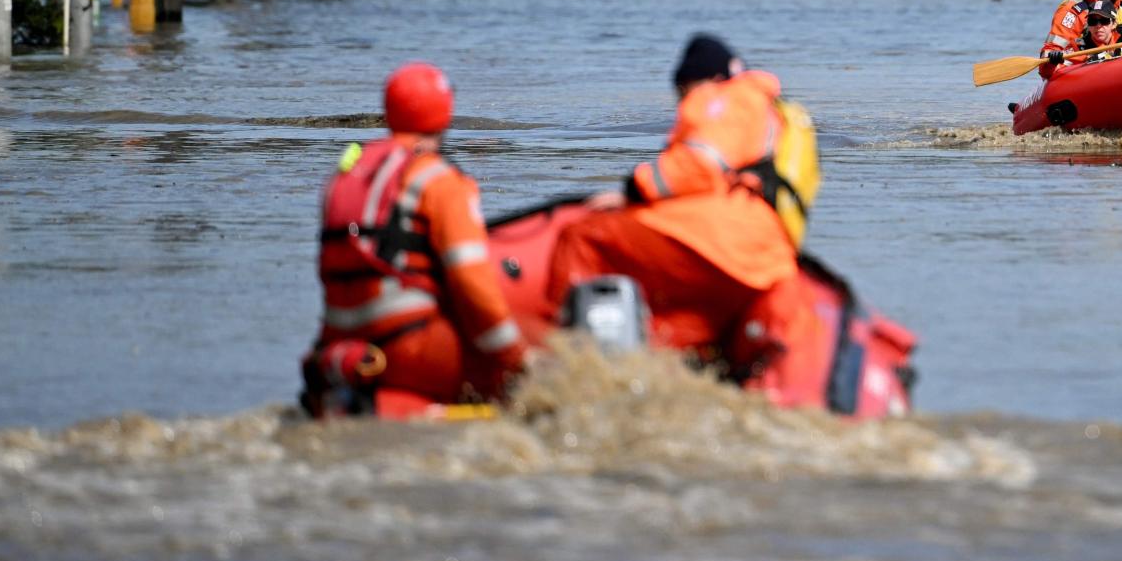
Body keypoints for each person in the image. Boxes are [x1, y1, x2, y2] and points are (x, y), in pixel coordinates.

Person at [547, 36, 817, 369]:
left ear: (706, 80)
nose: (682, 102)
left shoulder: (725, 98)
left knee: (582, 236)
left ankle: (556, 356)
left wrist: (634, 190)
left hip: (721, 241)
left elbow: (700, 163)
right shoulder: (770, 112)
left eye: (682, 92)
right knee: (683, 331)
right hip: (764, 258)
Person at [303, 63, 529, 412]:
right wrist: (516, 357)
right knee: (534, 353)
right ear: (445, 111)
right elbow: (472, 281)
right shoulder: (439, 180)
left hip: (339, 350)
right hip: (410, 348)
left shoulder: (345, 176)